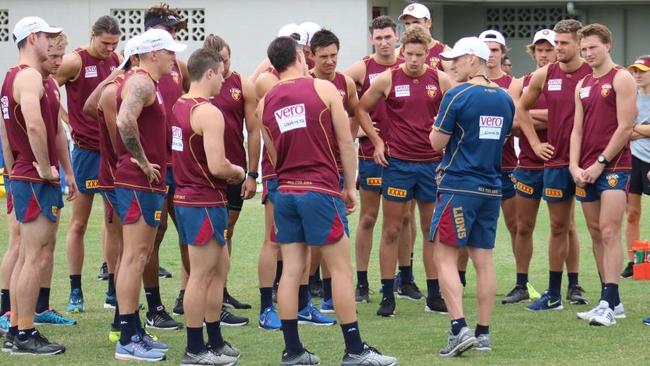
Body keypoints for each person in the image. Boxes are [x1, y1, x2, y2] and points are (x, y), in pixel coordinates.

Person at [260, 35, 397, 366]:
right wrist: (350, 185)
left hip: (286, 191)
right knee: (340, 270)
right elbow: (345, 142)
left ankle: (292, 350)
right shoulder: (322, 89)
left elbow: (273, 153)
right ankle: (354, 349)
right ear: (297, 57)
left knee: (291, 270)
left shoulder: (265, 101)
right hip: (320, 188)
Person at [356, 25, 452, 317]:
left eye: (418, 55)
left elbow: (458, 111)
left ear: (426, 55)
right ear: (402, 53)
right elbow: (360, 108)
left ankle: (434, 294)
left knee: (430, 231)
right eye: (408, 54)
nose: (413, 60)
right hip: (397, 165)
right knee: (391, 229)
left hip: (431, 165)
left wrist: (447, 142)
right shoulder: (388, 78)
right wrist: (377, 142)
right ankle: (388, 295)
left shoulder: (441, 79)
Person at [430, 36, 514, 357]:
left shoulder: (457, 94)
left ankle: (458, 328)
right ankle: (483, 333)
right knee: (484, 260)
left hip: (459, 186)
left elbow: (436, 142)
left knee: (445, 256)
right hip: (492, 188)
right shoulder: (505, 98)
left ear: (472, 60)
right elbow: (501, 137)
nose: (451, 64)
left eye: (457, 59)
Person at [1, 16, 77, 355]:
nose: (53, 43)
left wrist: (67, 172)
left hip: (27, 174)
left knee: (30, 256)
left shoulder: (34, 78)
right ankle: (24, 332)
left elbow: (54, 129)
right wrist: (45, 168)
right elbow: (33, 125)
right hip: (34, 176)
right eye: (47, 36)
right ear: (32, 38)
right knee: (34, 256)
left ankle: (18, 327)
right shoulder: (28, 76)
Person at [112, 28, 186, 362]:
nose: (174, 58)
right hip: (139, 182)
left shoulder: (145, 82)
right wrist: (142, 161)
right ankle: (127, 336)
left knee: (138, 255)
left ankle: (133, 330)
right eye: (169, 51)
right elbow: (124, 119)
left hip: (144, 182)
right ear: (153, 53)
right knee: (134, 257)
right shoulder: (140, 81)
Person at [254, 29, 335, 331]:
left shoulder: (309, 82)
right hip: (279, 170)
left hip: (302, 171)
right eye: (298, 47)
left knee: (302, 245)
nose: (304, 54)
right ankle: (266, 307)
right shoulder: (268, 79)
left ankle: (302, 304)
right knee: (273, 242)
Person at [172, 47, 244, 366]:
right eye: (221, 73)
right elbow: (218, 166)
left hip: (192, 199)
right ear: (210, 73)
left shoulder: (179, 105)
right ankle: (194, 348)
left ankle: (213, 339)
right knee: (201, 275)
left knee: (219, 269)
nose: (224, 80)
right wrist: (240, 172)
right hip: (202, 199)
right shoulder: (208, 111)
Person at [517, 19, 592, 311]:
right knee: (558, 226)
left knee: (598, 230)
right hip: (555, 162)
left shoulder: (594, 72)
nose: (555, 50)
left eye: (561, 44)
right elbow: (519, 110)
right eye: (549, 45)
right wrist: (536, 143)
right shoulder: (541, 75)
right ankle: (554, 293)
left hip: (592, 163)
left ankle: (607, 297)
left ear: (578, 43)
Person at [570, 23, 636, 326]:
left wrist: (599, 162)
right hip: (585, 168)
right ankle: (613, 300)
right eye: (583, 49)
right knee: (596, 232)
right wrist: (574, 165)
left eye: (592, 48)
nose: (588, 54)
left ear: (607, 45)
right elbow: (578, 129)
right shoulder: (582, 83)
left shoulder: (622, 78)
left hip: (614, 167)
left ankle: (608, 301)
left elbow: (625, 127)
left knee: (610, 231)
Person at [53, 15, 121, 314]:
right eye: (105, 43)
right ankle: (75, 290)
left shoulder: (117, 59)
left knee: (114, 223)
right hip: (84, 153)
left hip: (111, 153)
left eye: (114, 44)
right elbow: (48, 90)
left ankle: (112, 289)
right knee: (78, 223)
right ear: (93, 35)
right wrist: (67, 121)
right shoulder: (74, 61)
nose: (109, 49)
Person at [344, 15, 399, 304]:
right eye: (379, 37)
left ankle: (406, 277)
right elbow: (343, 97)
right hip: (371, 154)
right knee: (368, 217)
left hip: (405, 155)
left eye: (388, 36)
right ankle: (363, 283)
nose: (384, 42)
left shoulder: (408, 64)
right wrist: (361, 131)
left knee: (403, 221)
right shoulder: (362, 68)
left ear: (397, 37)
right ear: (372, 39)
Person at [205, 34, 260, 315]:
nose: (223, 67)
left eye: (226, 60)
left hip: (234, 171)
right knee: (203, 235)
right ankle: (191, 292)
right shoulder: (197, 84)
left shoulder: (243, 85)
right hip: (202, 173)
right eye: (218, 62)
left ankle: (221, 291)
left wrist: (252, 173)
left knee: (227, 231)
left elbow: (253, 130)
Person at [141, 3, 188, 330]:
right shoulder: (136, 68)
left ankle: (191, 295)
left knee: (190, 230)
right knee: (151, 237)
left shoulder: (179, 67)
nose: (174, 39)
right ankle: (153, 306)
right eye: (170, 31)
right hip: (151, 167)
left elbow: (185, 108)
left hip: (180, 164)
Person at [307, 28, 359, 313]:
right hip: (313, 172)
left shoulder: (345, 83)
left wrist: (346, 142)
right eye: (324, 56)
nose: (329, 61)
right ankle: (304, 294)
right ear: (311, 56)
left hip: (337, 170)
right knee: (313, 240)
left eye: (334, 56)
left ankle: (329, 296)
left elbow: (355, 113)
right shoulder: (305, 83)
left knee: (337, 235)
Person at [622, 55, 650, 279]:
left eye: (642, 71)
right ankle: (633, 262)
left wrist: (635, 129)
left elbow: (631, 129)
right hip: (633, 160)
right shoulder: (630, 96)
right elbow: (623, 130)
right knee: (632, 214)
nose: (638, 75)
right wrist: (642, 128)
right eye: (635, 71)